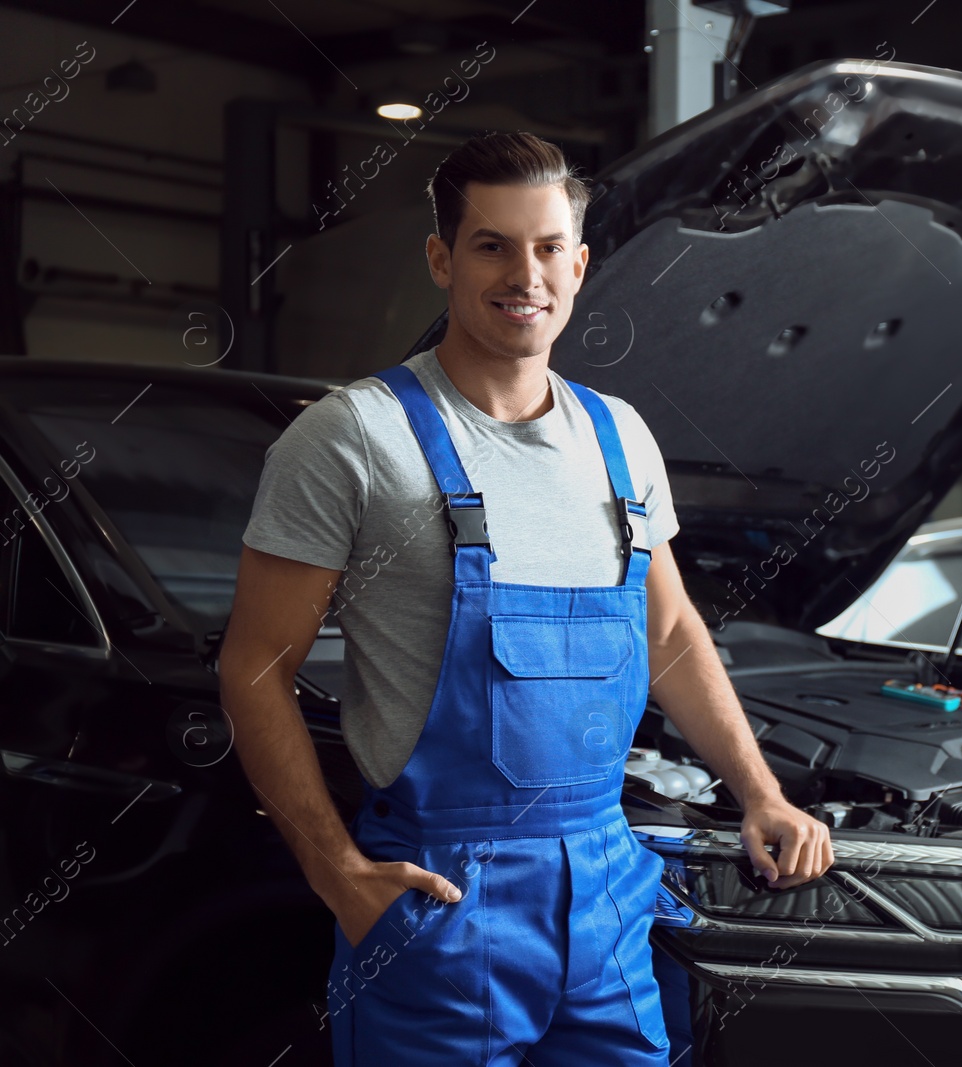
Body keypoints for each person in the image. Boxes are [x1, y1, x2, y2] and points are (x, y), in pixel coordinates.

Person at [218, 131, 833, 1065]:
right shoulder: (353, 437)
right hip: (440, 899)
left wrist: (761, 793)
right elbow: (253, 666)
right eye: (491, 244)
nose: (525, 274)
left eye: (548, 247)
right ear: (441, 258)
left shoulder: (619, 438)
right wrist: (338, 871)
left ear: (579, 265)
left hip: (608, 884)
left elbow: (668, 631)